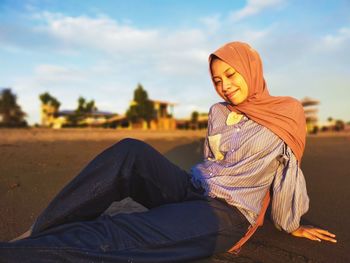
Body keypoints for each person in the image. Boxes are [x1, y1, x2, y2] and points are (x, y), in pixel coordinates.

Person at [0, 42, 336, 262]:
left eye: (231, 75)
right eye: (217, 80)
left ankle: (16, 254)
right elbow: (213, 160)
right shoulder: (218, 111)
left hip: (226, 214)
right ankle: (43, 228)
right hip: (192, 188)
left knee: (119, 233)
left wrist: (289, 223)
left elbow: (288, 171)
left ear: (251, 69)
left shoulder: (285, 111)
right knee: (129, 152)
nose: (225, 85)